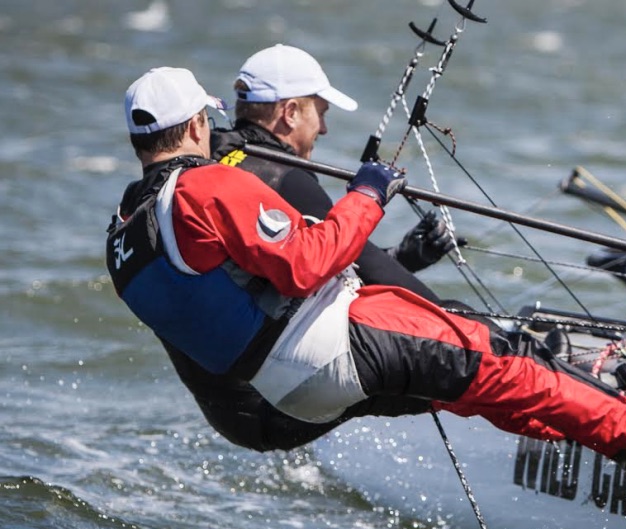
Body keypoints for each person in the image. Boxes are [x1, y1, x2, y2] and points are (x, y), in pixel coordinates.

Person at [106, 66, 626, 486]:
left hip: (284, 390)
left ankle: (612, 415)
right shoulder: (205, 186)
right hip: (334, 343)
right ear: (194, 125)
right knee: (504, 367)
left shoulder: (123, 231)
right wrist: (368, 193)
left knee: (477, 390)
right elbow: (306, 263)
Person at [165, 45, 459, 452]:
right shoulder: (283, 177)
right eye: (320, 112)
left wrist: (408, 257)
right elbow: (366, 268)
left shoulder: (214, 158)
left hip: (233, 409)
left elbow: (322, 265)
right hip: (274, 407)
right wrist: (470, 329)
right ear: (289, 113)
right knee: (450, 351)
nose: (324, 129)